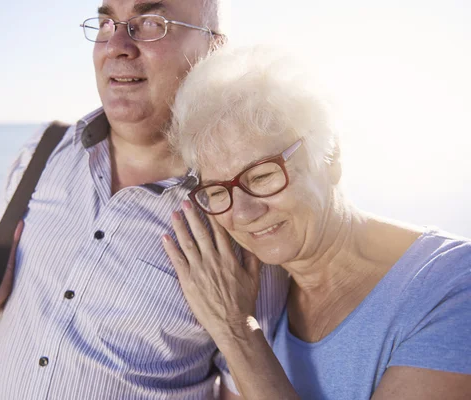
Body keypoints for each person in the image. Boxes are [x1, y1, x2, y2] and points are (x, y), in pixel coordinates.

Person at [0, 2, 289, 399]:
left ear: (213, 50)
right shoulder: (42, 152)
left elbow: (244, 388)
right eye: (106, 23)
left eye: (151, 22)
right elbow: (3, 277)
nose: (116, 45)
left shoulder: (240, 213)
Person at [162, 45, 471, 399]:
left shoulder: (453, 285)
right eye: (218, 192)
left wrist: (236, 332)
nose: (244, 213)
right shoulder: (258, 297)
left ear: (330, 156)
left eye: (262, 176)